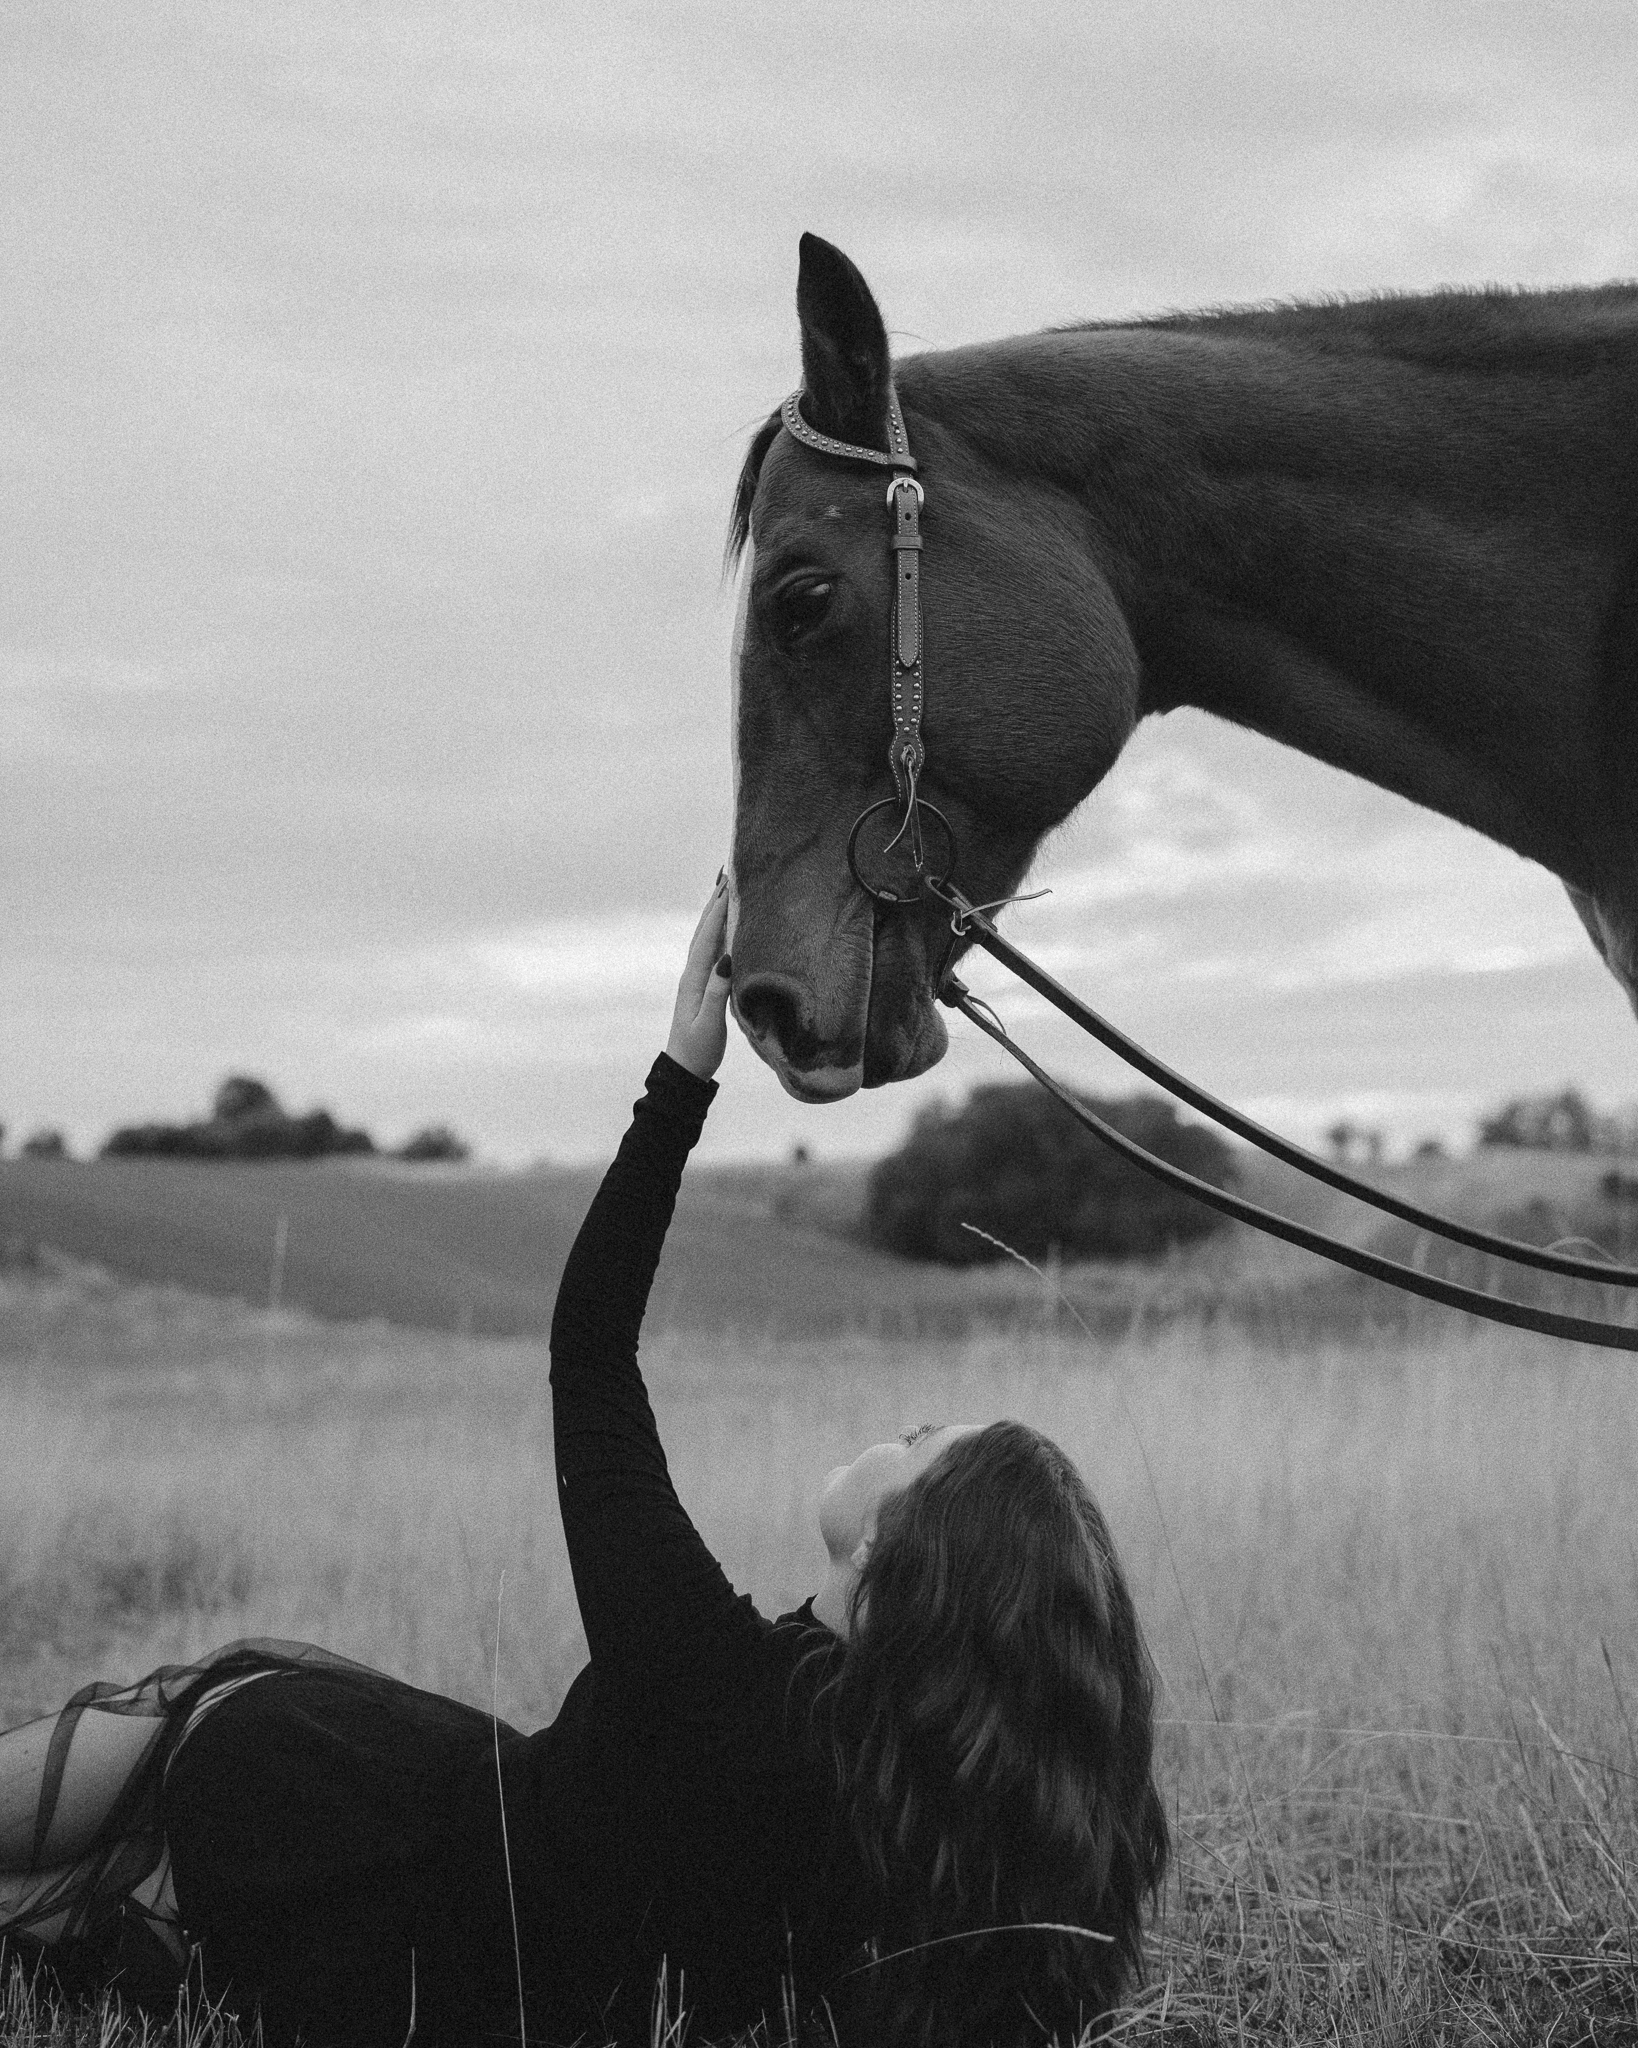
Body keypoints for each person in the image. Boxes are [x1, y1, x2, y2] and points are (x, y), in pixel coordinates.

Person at [0, 878, 1168, 2047]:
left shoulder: (708, 1683)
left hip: (326, 1813)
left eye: (919, 1446)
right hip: (423, 1934)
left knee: (176, 1731)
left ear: (889, 1546)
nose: (899, 1428)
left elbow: (592, 1350)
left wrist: (682, 1072)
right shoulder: (893, 1839)